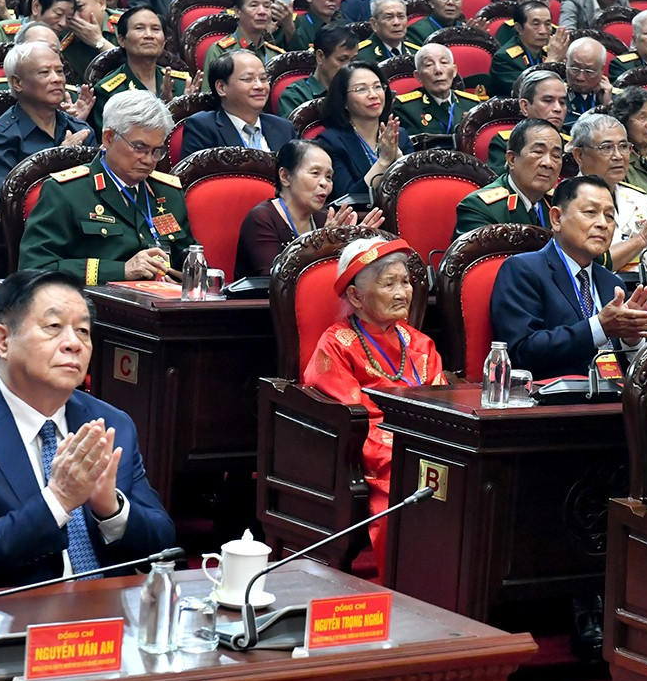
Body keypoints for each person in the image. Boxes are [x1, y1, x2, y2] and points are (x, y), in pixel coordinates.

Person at [0, 270, 177, 592]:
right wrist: (58, 500)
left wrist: (111, 509)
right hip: (11, 624)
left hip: (109, 622)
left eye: (83, 331)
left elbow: (164, 543)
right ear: (3, 340)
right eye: (53, 327)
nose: (74, 344)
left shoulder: (112, 424)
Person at [301, 238, 448, 557]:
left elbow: (441, 407)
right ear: (355, 295)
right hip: (372, 452)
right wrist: (408, 448)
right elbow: (352, 415)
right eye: (388, 284)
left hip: (423, 446)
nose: (402, 292)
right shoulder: (337, 344)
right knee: (408, 473)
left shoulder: (420, 344)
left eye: (406, 282)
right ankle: (407, 585)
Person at [488, 174, 647, 378]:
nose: (603, 224)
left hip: (611, 398)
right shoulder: (523, 270)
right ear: (557, 218)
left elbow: (624, 367)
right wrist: (599, 326)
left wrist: (630, 339)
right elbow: (522, 352)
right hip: (552, 402)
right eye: (590, 212)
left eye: (610, 216)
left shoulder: (613, 283)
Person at [19, 90, 191, 285]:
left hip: (161, 304)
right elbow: (35, 267)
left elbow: (188, 261)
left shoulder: (168, 192)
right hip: (95, 305)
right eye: (139, 148)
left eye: (156, 151)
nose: (148, 160)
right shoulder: (66, 191)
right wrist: (120, 270)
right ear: (108, 138)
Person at [233, 139, 381, 278]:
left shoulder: (323, 218)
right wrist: (322, 244)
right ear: (285, 176)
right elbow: (276, 280)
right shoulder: (262, 219)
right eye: (315, 173)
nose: (324, 183)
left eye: (329, 177)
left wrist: (354, 247)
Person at [0, 42, 94, 193]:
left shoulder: (79, 129)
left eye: (59, 71)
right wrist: (58, 160)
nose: (57, 79)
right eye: (45, 72)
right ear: (17, 83)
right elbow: (8, 199)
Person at [568, 112, 647, 273]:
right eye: (606, 148)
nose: (618, 156)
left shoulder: (637, 197)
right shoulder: (569, 199)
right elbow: (591, 264)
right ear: (579, 155)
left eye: (624, 146)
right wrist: (642, 239)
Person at [89, 5, 189, 133]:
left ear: (164, 41)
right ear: (121, 40)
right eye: (139, 28)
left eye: (156, 29)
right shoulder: (108, 91)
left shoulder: (182, 83)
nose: (149, 35)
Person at [455, 118, 562, 234]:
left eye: (556, 156)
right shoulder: (479, 208)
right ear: (511, 159)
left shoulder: (560, 205)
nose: (548, 163)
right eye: (538, 152)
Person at [318, 63, 404, 203]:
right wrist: (383, 162)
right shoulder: (331, 142)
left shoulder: (400, 135)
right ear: (344, 101)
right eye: (361, 89)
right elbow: (346, 199)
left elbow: (413, 188)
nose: (373, 95)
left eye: (377, 86)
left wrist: (399, 158)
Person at [184, 48, 295, 154]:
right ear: (221, 87)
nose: (260, 86)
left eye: (263, 79)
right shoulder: (202, 128)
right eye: (248, 79)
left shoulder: (284, 128)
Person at [392, 44, 484, 138]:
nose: (438, 70)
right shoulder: (405, 108)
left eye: (444, 63)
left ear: (454, 71)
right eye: (429, 65)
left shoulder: (472, 104)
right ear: (418, 76)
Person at [489, 0, 569, 96]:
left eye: (547, 24)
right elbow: (528, 92)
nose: (543, 31)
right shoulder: (504, 58)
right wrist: (552, 61)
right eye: (536, 24)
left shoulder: (549, 51)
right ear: (519, 28)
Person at [278, 22, 360, 117]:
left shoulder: (356, 90)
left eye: (353, 60)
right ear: (320, 57)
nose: (349, 66)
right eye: (342, 59)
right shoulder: (295, 95)